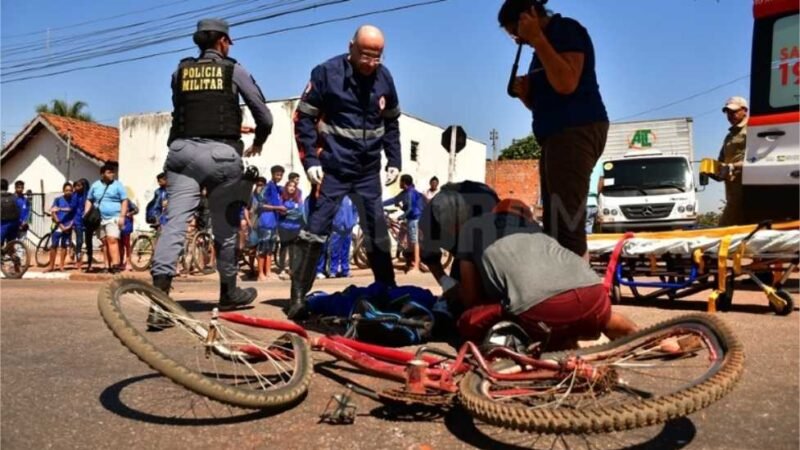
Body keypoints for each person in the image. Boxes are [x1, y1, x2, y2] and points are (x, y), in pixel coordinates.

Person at [150, 18, 273, 312]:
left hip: (181, 154)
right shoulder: (233, 70)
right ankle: (229, 292)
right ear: (222, 42)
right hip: (221, 155)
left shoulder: (179, 71)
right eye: (228, 42)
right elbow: (264, 116)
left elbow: (186, 108)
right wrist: (259, 141)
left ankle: (158, 301)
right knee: (226, 227)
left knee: (175, 224)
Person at [288, 25, 402, 319]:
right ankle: (298, 296)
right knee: (316, 230)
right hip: (333, 169)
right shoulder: (326, 74)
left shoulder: (385, 78)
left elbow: (391, 123)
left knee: (377, 231)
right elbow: (303, 119)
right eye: (365, 55)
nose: (370, 63)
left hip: (367, 170)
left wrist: (395, 160)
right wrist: (311, 161)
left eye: (377, 57)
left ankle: (387, 288)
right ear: (351, 47)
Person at [449, 198, 638, 349]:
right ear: (527, 217)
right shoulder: (537, 231)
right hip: (594, 294)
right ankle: (640, 336)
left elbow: (471, 296)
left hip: (542, 310)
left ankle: (554, 343)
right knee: (602, 317)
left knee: (469, 321)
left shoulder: (473, 226)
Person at [499, 0, 609, 258]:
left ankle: (579, 292)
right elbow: (549, 102)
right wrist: (527, 96)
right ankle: (567, 287)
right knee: (556, 222)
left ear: (531, 14)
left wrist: (537, 38)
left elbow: (567, 83)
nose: (516, 38)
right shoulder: (539, 48)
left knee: (567, 222)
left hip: (575, 129)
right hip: (555, 134)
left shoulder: (565, 31)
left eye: (516, 29)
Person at [419, 181, 500, 293]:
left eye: (460, 226)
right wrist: (444, 280)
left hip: (489, 251)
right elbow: (429, 257)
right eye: (450, 228)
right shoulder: (427, 222)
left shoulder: (486, 205)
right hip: (461, 254)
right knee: (458, 295)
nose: (456, 231)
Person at [85, 164, 128, 273]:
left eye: (112, 172)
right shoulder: (95, 185)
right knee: (104, 242)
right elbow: (89, 199)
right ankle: (106, 265)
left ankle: (115, 265)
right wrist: (86, 212)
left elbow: (124, 200)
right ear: (102, 173)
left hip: (114, 216)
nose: (112, 174)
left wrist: (122, 216)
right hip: (99, 218)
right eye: (109, 172)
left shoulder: (118, 185)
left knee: (112, 239)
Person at [717, 96, 748, 227]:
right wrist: (714, 170)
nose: (730, 115)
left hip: (745, 191)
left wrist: (733, 166)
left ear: (745, 110)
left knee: (724, 228)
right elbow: (721, 161)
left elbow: (756, 161)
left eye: (734, 111)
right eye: (728, 113)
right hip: (732, 192)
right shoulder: (730, 136)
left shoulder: (752, 130)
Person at [383, 174, 425, 272]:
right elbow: (394, 199)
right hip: (410, 219)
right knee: (406, 241)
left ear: (404, 183)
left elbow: (410, 208)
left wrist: (401, 217)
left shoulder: (410, 193)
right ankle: (411, 261)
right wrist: (379, 204)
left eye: (400, 182)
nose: (399, 184)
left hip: (415, 219)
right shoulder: (405, 192)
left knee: (414, 242)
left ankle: (416, 266)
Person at [253, 170, 284, 282]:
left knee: (270, 248)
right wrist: (277, 208)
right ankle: (260, 273)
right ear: (272, 174)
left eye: (280, 175)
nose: (279, 176)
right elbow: (260, 205)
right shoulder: (267, 187)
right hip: (265, 221)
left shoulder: (276, 188)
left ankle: (268, 272)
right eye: (277, 174)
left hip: (274, 222)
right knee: (262, 249)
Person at [277, 180, 305, 280]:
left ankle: (292, 269)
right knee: (284, 247)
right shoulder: (282, 198)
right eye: (290, 186)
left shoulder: (298, 199)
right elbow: (281, 211)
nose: (292, 188)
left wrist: (288, 211)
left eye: (294, 186)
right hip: (283, 226)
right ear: (286, 187)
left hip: (295, 227)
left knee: (293, 249)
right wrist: (290, 212)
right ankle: (282, 268)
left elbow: (300, 212)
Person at [46, 183, 76, 272]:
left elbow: (75, 213)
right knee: (53, 246)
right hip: (57, 227)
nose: (69, 192)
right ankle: (51, 266)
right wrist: (60, 225)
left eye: (70, 190)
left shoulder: (74, 201)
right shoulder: (58, 200)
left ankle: (61, 266)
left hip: (68, 227)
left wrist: (70, 225)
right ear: (63, 191)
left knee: (64, 246)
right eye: (67, 190)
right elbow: (53, 212)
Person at [328, 195, 358, 278]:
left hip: (348, 227)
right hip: (336, 228)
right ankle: (333, 270)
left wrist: (353, 222)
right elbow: (330, 211)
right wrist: (334, 223)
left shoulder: (351, 197)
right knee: (335, 250)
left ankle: (345, 270)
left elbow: (355, 210)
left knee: (346, 250)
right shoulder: (335, 197)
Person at [71, 179, 90, 271]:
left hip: (87, 221)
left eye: (79, 186)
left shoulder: (89, 195)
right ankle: (78, 260)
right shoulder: (74, 195)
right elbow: (72, 207)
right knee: (79, 241)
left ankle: (89, 261)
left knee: (88, 242)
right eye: (76, 186)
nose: (77, 188)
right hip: (77, 221)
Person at [119, 199, 139, 272]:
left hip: (127, 223)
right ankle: (121, 262)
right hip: (118, 223)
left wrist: (129, 213)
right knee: (120, 245)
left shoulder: (127, 201)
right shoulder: (115, 200)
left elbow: (136, 210)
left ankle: (128, 262)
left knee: (126, 244)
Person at [0, 179, 21, 245]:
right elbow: (19, 209)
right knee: (10, 243)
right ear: (7, 187)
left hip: (3, 223)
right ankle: (11, 254)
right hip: (15, 223)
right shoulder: (13, 196)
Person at [586, 161, 603, 234]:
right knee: (588, 228)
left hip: (581, 203)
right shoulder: (599, 163)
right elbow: (601, 182)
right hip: (593, 203)